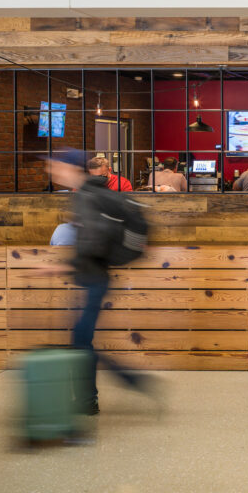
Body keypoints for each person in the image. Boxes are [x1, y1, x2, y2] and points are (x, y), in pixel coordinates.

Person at [41, 148, 152, 414]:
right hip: (92, 276)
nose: (52, 172)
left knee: (80, 342)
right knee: (81, 341)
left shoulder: (86, 197)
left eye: (55, 167)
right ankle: (89, 399)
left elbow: (94, 242)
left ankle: (122, 384)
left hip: (93, 279)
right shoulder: (90, 194)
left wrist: (62, 266)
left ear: (71, 168)